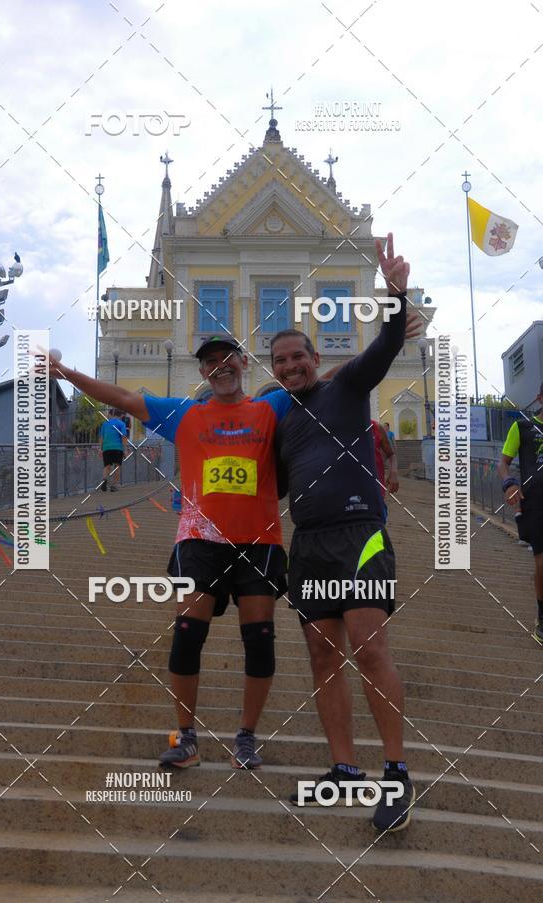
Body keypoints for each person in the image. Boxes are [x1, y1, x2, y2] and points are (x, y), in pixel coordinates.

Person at [46, 337, 291, 772]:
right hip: (199, 541)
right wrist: (65, 373)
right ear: (202, 373)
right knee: (186, 636)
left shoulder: (271, 408)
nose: (220, 367)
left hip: (259, 543)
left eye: (228, 359)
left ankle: (247, 738)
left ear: (244, 364)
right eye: (211, 362)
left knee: (259, 641)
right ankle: (187, 739)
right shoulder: (186, 414)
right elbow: (122, 397)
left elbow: (330, 385)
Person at [270, 233, 415, 832]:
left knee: (368, 644)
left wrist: (395, 296)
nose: (291, 366)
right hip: (309, 545)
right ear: (274, 370)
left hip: (360, 534)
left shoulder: (347, 387)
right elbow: (267, 486)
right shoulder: (280, 418)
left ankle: (397, 774)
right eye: (280, 362)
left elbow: (383, 347)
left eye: (298, 357)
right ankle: (344, 770)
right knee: (321, 654)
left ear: (312, 357)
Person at [499, 384, 543, 645]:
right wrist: (509, 483)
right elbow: (503, 463)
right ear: (539, 397)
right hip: (535, 503)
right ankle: (542, 614)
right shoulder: (523, 428)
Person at [99, 408, 128, 492]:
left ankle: (104, 480)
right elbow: (124, 437)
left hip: (106, 448)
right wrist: (125, 450)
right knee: (117, 466)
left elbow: (101, 437)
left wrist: (100, 449)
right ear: (120, 415)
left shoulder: (105, 424)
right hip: (117, 448)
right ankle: (114, 485)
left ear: (111, 414)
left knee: (107, 466)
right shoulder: (121, 424)